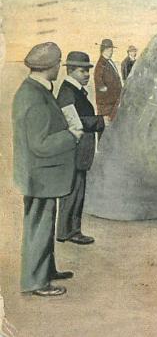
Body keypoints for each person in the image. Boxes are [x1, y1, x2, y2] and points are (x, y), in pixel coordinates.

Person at [12, 42, 82, 296]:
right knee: (40, 228)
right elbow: (41, 144)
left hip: (39, 175)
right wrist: (71, 135)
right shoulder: (33, 96)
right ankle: (36, 282)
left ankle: (46, 271)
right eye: (58, 63)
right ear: (49, 66)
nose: (60, 67)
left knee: (43, 226)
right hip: (40, 175)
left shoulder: (35, 90)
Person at [56, 51, 105, 245]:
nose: (87, 74)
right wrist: (101, 122)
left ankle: (69, 231)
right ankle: (69, 231)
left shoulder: (73, 90)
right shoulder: (68, 92)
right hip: (74, 150)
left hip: (78, 151)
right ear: (70, 70)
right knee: (73, 191)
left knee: (76, 190)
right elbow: (74, 122)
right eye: (82, 71)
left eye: (87, 70)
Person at [94, 38, 122, 122]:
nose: (111, 51)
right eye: (109, 49)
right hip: (107, 106)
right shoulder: (101, 64)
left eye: (111, 49)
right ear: (104, 50)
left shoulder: (109, 62)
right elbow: (100, 86)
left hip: (113, 104)